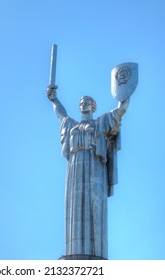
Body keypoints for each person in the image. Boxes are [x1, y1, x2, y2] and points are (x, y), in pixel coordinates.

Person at [47, 85, 129, 259]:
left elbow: (120, 110)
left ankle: (96, 254)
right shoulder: (71, 126)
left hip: (94, 165)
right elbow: (60, 114)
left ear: (94, 107)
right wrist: (54, 100)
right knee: (75, 208)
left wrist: (124, 93)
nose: (84, 103)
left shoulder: (100, 123)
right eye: (82, 102)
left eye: (88, 102)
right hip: (75, 167)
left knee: (95, 206)